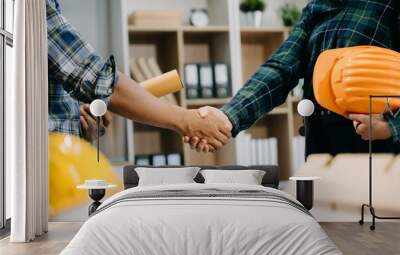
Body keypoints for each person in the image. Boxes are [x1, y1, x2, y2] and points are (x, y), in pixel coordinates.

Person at [187, 0, 400, 154]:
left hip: (379, 149)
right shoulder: (317, 7)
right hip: (321, 144)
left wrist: (391, 126)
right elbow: (282, 68)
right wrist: (229, 117)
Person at [46, 0, 232, 150]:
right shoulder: (34, 6)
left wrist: (77, 119)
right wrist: (186, 121)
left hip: (63, 161)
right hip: (47, 173)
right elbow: (100, 81)